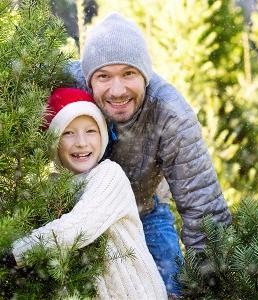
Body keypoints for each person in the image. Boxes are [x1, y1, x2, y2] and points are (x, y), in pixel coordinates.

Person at [67, 12, 232, 297]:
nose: (117, 90)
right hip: (75, 213)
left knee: (170, 287)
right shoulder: (67, 86)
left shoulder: (170, 113)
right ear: (88, 79)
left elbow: (202, 205)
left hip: (145, 210)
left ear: (145, 75)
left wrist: (214, 283)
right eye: (104, 76)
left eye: (128, 74)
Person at [9, 87, 167, 299]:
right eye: (68, 133)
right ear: (54, 143)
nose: (81, 142)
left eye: (90, 131)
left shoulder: (109, 175)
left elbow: (78, 227)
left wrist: (16, 252)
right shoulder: (53, 189)